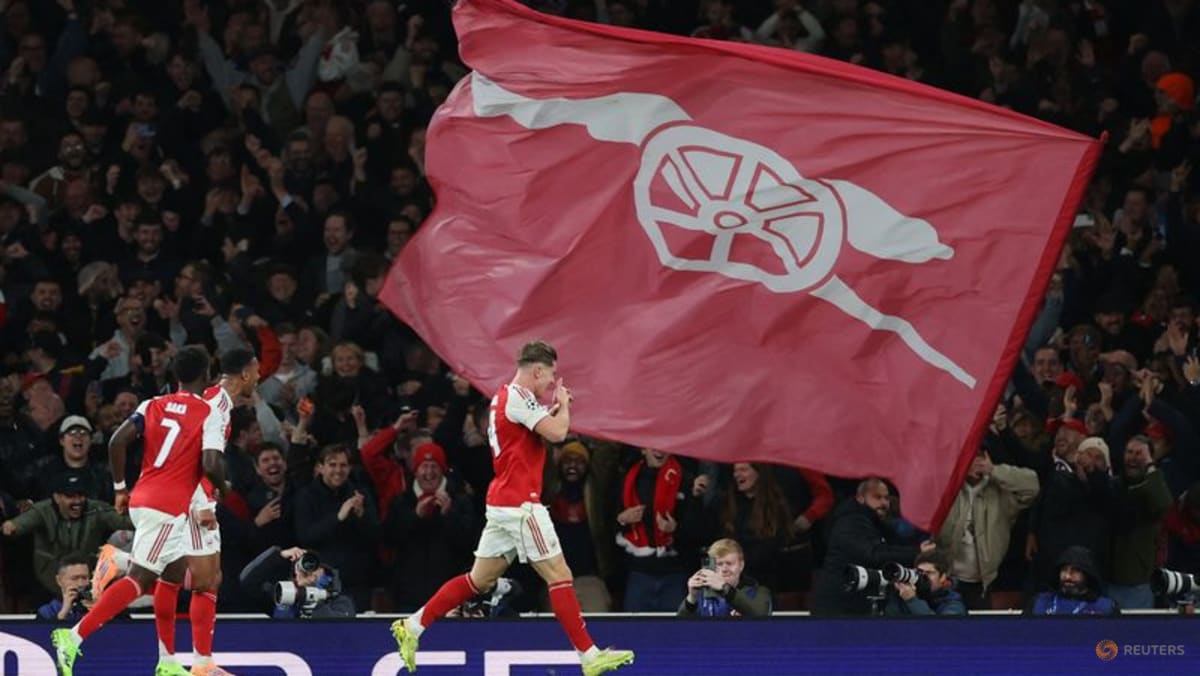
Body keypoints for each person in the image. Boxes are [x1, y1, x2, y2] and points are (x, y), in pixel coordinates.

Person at [390, 341, 633, 675]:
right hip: (521, 504)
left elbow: (528, 437)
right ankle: (589, 656)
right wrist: (563, 406)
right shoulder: (519, 397)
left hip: (503, 501)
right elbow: (559, 434)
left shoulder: (503, 398)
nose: (552, 382)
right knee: (560, 576)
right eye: (551, 375)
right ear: (537, 370)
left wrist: (551, 411)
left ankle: (413, 625)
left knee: (478, 580)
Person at [51, 346, 228, 676]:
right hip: (168, 507)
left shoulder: (151, 404)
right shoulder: (208, 411)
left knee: (172, 575)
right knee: (140, 578)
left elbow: (116, 442)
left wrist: (120, 488)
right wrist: (225, 488)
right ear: (206, 375)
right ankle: (73, 636)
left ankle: (167, 662)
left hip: (143, 495)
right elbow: (211, 463)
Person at [151, 347, 259, 676]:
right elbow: (196, 456)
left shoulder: (215, 399)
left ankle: (197, 661)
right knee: (203, 579)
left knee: (204, 578)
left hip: (188, 495)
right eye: (256, 371)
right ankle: (122, 562)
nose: (258, 377)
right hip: (193, 499)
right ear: (245, 374)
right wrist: (204, 503)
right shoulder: (216, 404)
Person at [677, 538, 771, 618]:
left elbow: (762, 614)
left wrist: (724, 588)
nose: (724, 569)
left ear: (741, 565)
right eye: (719, 564)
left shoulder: (758, 592)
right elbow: (678, 627)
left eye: (729, 564)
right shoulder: (702, 595)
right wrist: (692, 597)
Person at [883, 551, 967, 616]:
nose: (923, 577)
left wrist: (912, 601)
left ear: (942, 577)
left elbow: (941, 628)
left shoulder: (953, 603)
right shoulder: (905, 594)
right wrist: (895, 593)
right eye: (919, 572)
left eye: (929, 573)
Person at [36, 554, 94, 624]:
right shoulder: (47, 611)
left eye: (84, 578)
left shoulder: (94, 606)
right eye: (74, 578)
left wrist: (97, 610)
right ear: (59, 580)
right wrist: (64, 612)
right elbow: (44, 630)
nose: (80, 584)